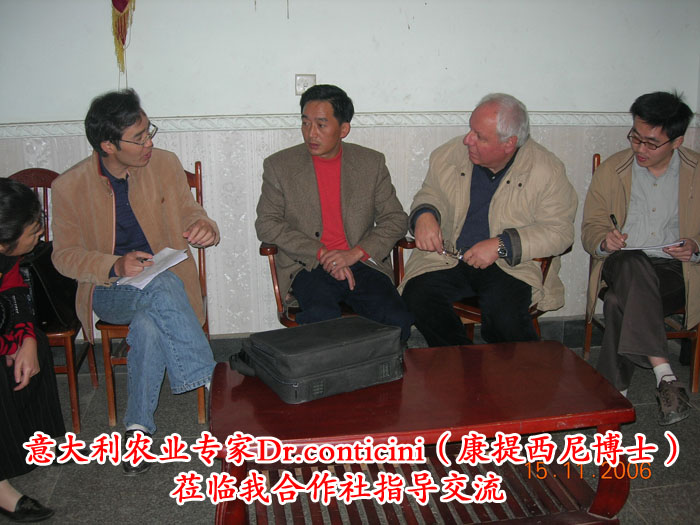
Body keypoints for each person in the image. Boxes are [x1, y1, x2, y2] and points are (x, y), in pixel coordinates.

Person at [51, 89, 219, 473]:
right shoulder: (69, 187)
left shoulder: (164, 164)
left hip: (163, 281)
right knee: (162, 287)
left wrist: (203, 225)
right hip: (109, 288)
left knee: (149, 320)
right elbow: (64, 256)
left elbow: (189, 210)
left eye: (148, 131)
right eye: (139, 138)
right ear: (108, 145)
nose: (149, 143)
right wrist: (114, 265)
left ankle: (137, 430)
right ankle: (212, 380)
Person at [401, 93, 577, 346]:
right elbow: (430, 193)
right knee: (418, 298)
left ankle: (522, 370)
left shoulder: (546, 169)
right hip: (449, 257)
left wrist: (501, 244)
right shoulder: (450, 154)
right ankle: (459, 360)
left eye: (479, 136)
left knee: (505, 317)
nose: (467, 140)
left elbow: (559, 232)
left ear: (509, 143)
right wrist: (425, 214)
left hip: (509, 264)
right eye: (470, 130)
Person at [255, 84, 413, 341]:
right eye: (305, 123)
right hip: (308, 265)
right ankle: (329, 369)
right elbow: (267, 223)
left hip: (361, 261)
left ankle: (378, 367)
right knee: (321, 319)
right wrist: (322, 253)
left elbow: (395, 219)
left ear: (344, 129)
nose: (311, 133)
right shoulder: (279, 166)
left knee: (397, 320)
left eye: (321, 125)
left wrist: (354, 253)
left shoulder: (371, 163)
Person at [581, 91, 698, 425]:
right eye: (635, 137)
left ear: (677, 141)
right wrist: (604, 240)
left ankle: (613, 394)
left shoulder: (696, 171)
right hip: (622, 262)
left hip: (676, 271)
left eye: (651, 143)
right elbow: (590, 227)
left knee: (618, 301)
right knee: (633, 263)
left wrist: (695, 246)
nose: (640, 149)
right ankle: (665, 375)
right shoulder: (613, 169)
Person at [0, 178, 64, 522]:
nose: (39, 237)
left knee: (35, 342)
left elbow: (14, 294)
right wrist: (7, 345)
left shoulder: (7, 257)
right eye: (33, 232)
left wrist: (23, 339)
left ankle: (37, 441)